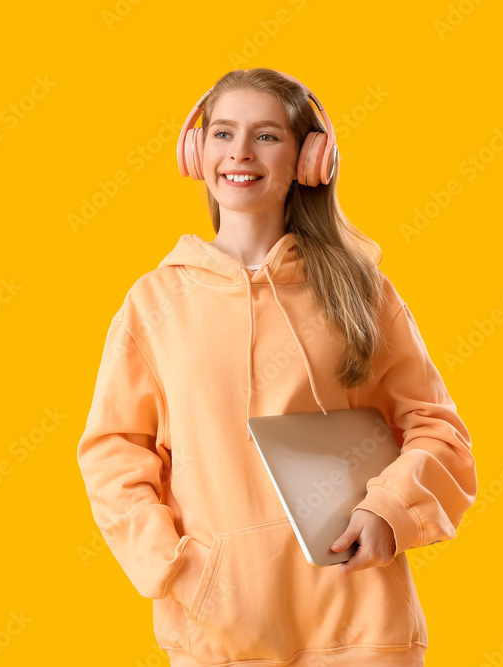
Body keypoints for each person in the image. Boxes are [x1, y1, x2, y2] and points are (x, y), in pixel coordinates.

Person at [75, 68, 477, 667]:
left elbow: (438, 429)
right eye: (222, 133)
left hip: (363, 624)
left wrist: (387, 511)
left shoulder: (360, 289)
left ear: (308, 159)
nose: (239, 152)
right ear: (197, 151)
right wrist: (173, 567)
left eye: (266, 136)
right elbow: (114, 451)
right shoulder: (154, 304)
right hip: (222, 630)